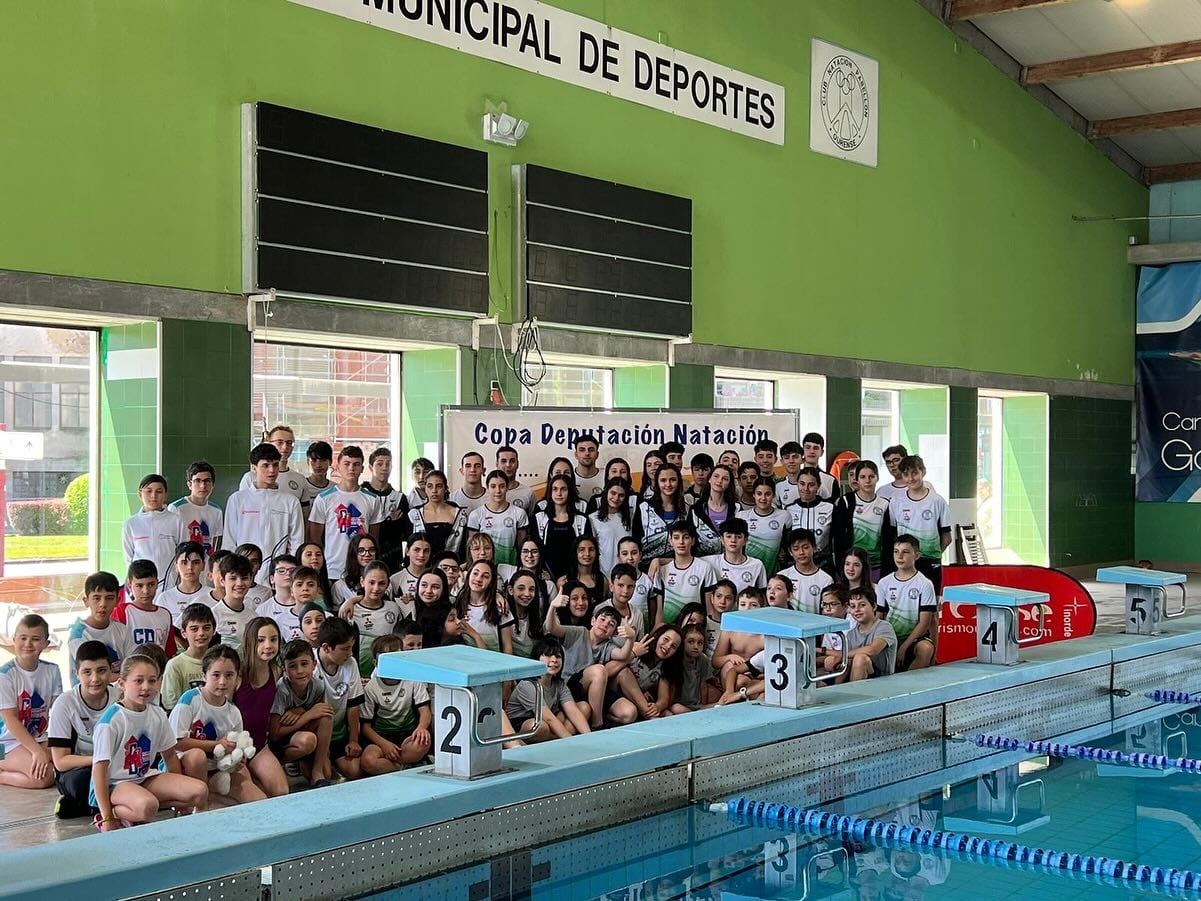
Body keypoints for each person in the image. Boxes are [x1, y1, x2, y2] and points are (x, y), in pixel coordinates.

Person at [90, 654, 209, 830]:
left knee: (199, 791)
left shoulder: (157, 713)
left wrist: (180, 797)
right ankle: (109, 814)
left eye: (152, 681)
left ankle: (140, 804)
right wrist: (108, 818)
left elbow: (169, 755)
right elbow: (99, 771)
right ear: (122, 684)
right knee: (147, 807)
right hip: (115, 783)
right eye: (138, 681)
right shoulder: (112, 720)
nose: (146, 687)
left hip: (144, 776)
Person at [170, 645, 268, 805]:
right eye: (216, 675)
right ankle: (199, 802)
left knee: (259, 801)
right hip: (187, 769)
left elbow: (237, 747)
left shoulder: (234, 712)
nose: (222, 682)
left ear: (238, 678)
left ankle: (210, 797)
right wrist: (216, 744)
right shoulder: (190, 700)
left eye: (229, 675)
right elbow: (176, 743)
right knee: (197, 756)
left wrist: (238, 759)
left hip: (219, 769)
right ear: (204, 675)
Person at [48, 640, 118, 817]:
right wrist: (99, 760)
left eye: (101, 671)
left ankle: (89, 807)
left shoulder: (120, 697)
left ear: (111, 671)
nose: (95, 679)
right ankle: (106, 804)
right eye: (87, 672)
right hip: (80, 769)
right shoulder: (64, 704)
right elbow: (60, 762)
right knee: (81, 782)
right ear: (76, 673)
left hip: (116, 764)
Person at [544, 596, 633, 728]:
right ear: (593, 621)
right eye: (602, 619)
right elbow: (552, 627)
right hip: (569, 685)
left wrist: (631, 638)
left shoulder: (607, 646)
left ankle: (597, 713)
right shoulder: (578, 632)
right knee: (599, 670)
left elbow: (623, 655)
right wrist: (552, 606)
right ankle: (597, 724)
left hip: (593, 690)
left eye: (611, 624)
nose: (605, 625)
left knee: (629, 713)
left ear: (613, 633)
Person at [225, 443, 305, 584]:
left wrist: (291, 573)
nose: (272, 470)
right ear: (254, 467)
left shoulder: (290, 501)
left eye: (275, 465)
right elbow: (229, 540)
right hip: (242, 573)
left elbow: (296, 542)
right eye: (265, 465)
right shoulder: (237, 499)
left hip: (279, 574)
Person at [0, 614, 60, 789]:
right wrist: (37, 752)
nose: (28, 644)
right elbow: (10, 720)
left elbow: (57, 710)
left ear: (46, 644)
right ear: (13, 640)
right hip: (6, 743)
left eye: (35, 639)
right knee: (44, 777)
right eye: (23, 638)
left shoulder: (52, 670)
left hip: (38, 737)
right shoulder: (5, 675)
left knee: (68, 758)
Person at [308, 445, 382, 584]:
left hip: (362, 570)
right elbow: (315, 538)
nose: (351, 468)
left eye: (356, 464)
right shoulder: (324, 498)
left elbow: (373, 538)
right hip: (332, 569)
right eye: (347, 464)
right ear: (338, 466)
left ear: (362, 468)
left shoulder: (372, 499)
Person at [360, 633, 432, 774]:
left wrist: (421, 728)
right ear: (376, 663)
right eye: (387, 658)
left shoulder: (412, 678)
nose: (393, 662)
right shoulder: (371, 688)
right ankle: (406, 766)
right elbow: (365, 727)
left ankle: (398, 764)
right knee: (368, 762)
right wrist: (385, 745)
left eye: (397, 657)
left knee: (422, 744)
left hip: (408, 735)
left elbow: (425, 710)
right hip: (381, 737)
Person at [234, 617, 289, 798]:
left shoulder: (275, 671)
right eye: (261, 640)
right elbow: (221, 714)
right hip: (234, 747)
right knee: (256, 798)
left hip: (259, 746)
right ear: (250, 642)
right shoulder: (237, 674)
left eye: (273, 639)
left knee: (281, 792)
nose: (268, 645)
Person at [269, 639, 334, 787]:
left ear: (314, 665)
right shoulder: (281, 690)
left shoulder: (318, 685)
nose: (299, 671)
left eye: (304, 664)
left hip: (304, 731)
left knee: (326, 715)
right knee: (308, 741)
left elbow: (320, 713)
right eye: (292, 666)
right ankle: (279, 764)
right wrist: (308, 715)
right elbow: (275, 734)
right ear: (284, 670)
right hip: (283, 741)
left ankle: (317, 773)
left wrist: (302, 711)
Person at [883, 455, 951, 591]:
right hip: (905, 564)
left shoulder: (938, 501)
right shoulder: (896, 502)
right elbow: (893, 536)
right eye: (906, 474)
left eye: (914, 473)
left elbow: (947, 537)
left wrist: (932, 554)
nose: (911, 478)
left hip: (930, 563)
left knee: (931, 607)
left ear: (923, 472)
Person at [506, 638, 591, 741]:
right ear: (536, 659)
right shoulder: (527, 685)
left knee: (583, 707)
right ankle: (563, 741)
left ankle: (556, 741)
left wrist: (590, 738)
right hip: (523, 723)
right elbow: (549, 718)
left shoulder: (559, 684)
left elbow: (573, 711)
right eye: (547, 655)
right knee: (540, 726)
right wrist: (571, 741)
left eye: (558, 656)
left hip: (547, 719)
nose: (554, 660)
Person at [311, 617, 365, 780]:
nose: (350, 654)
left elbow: (353, 705)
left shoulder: (351, 663)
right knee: (326, 775)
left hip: (339, 733)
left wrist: (353, 740)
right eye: (345, 649)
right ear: (326, 648)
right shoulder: (310, 664)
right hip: (316, 732)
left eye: (352, 648)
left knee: (353, 771)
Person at [877, 535, 937, 672]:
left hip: (914, 638)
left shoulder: (925, 584)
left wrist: (904, 647)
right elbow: (878, 617)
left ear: (916, 555)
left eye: (905, 552)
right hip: (889, 636)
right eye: (896, 551)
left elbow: (925, 623)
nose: (899, 556)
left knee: (926, 649)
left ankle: (909, 687)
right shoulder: (884, 583)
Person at [607, 624, 684, 724]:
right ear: (657, 637)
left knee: (668, 714)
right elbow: (606, 671)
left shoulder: (665, 666)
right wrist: (633, 654)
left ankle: (647, 714)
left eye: (673, 646)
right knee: (624, 672)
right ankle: (650, 717)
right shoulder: (638, 646)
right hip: (612, 691)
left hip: (632, 701)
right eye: (666, 639)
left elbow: (663, 699)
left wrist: (657, 706)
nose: (668, 646)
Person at [68, 572, 134, 685]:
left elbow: (131, 666)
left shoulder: (122, 630)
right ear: (86, 601)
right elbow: (95, 675)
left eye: (109, 598)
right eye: (96, 598)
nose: (103, 604)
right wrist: (127, 677)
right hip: (88, 696)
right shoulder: (78, 635)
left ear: (118, 601)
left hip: (117, 693)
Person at [123, 474, 185, 591]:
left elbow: (183, 553)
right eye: (149, 491)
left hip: (169, 583)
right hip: (141, 585)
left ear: (165, 495)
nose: (153, 496)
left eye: (159, 491)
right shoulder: (131, 523)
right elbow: (128, 558)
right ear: (140, 494)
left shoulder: (176, 520)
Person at [655, 520, 716, 627]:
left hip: (695, 629)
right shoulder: (661, 570)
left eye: (686, 537)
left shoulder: (705, 568)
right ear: (670, 541)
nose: (681, 542)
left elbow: (710, 609)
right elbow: (659, 610)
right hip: (669, 630)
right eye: (676, 537)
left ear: (693, 541)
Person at [833, 460, 887, 576]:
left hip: (876, 566)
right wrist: (841, 567)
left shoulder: (885, 504)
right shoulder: (846, 502)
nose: (867, 481)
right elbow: (838, 539)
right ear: (857, 480)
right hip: (852, 566)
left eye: (871, 476)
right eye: (863, 477)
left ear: (877, 478)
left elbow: (887, 540)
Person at [113, 560, 178, 656]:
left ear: (157, 583)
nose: (146, 591)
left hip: (159, 669)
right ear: (130, 585)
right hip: (130, 669)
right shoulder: (123, 611)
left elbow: (169, 653)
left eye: (151, 584)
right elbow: (115, 648)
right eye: (139, 586)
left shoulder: (165, 614)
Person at [348, 561, 402, 677]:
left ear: (388, 585)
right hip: (358, 674)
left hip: (385, 674)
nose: (376, 588)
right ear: (362, 581)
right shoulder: (351, 610)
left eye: (381, 583)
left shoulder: (393, 608)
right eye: (371, 582)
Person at [532, 474, 591, 580]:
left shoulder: (581, 520)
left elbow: (585, 551)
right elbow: (536, 548)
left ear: (570, 491)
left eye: (563, 489)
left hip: (573, 576)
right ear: (550, 492)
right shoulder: (540, 518)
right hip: (546, 576)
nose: (559, 493)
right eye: (555, 489)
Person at [362, 447, 410, 572]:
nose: (384, 468)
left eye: (388, 464)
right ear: (371, 467)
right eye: (380, 464)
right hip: (365, 557)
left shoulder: (400, 498)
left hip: (393, 560)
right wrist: (389, 522)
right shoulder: (361, 495)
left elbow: (401, 532)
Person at [467, 470, 529, 567]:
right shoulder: (476, 515)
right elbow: (472, 549)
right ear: (487, 488)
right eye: (493, 486)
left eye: (502, 486)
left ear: (507, 487)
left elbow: (522, 547)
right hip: (485, 569)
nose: (498, 491)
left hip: (511, 568)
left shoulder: (519, 513)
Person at [713, 588, 766, 699]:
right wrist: (730, 657)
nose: (747, 609)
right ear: (737, 607)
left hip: (754, 676)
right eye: (743, 604)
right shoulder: (730, 630)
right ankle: (728, 696)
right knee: (731, 667)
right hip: (731, 674)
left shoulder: (764, 636)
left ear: (762, 608)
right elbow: (715, 662)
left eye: (753, 605)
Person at [162, 603, 216, 710]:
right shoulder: (175, 665)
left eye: (206, 628)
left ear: (214, 630)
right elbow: (171, 706)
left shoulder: (219, 662)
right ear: (183, 632)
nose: (201, 633)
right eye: (194, 629)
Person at [633, 463, 688, 564]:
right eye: (663, 480)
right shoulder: (644, 507)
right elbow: (636, 540)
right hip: (648, 568)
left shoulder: (687, 509)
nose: (668, 484)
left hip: (679, 567)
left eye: (672, 480)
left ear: (679, 481)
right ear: (657, 482)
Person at [406, 470, 468, 560]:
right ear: (425, 489)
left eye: (439, 486)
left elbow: (463, 548)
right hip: (422, 567)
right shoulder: (414, 515)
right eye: (430, 486)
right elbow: (410, 546)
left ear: (445, 488)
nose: (434, 491)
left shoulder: (459, 515)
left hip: (450, 567)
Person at [786, 467, 836, 573]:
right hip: (795, 565)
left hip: (823, 564)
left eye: (811, 485)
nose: (806, 489)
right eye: (802, 484)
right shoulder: (789, 510)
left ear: (818, 485)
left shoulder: (830, 508)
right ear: (797, 484)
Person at [456, 560, 513, 654]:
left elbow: (507, 648)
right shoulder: (458, 602)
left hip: (494, 663)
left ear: (491, 582)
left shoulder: (499, 607)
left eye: (485, 576)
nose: (478, 579)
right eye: (475, 573)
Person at [736, 477, 790, 575]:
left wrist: (783, 551)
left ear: (773, 495)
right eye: (759, 494)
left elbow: (788, 542)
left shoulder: (784, 516)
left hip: (773, 574)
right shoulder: (741, 516)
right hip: (748, 573)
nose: (763, 498)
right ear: (754, 494)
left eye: (767, 494)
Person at [169, 461, 223, 559]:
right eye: (198, 481)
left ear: (213, 484)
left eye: (207, 481)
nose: (203, 485)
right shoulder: (176, 508)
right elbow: (170, 544)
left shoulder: (217, 511)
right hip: (183, 568)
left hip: (205, 569)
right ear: (189, 484)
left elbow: (215, 544)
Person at [841, 589, 898, 681]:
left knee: (860, 658)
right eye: (853, 606)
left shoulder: (884, 627)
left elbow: (872, 650)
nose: (857, 609)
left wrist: (839, 655)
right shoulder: (851, 634)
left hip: (883, 680)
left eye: (862, 605)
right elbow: (847, 659)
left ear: (874, 606)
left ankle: (854, 694)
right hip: (858, 676)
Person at [239, 425, 306, 500]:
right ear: (269, 443)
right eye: (279, 442)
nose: (285, 447)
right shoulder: (250, 477)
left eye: (289, 443)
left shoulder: (300, 479)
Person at [778, 529, 833, 614]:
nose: (801, 552)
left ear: (814, 548)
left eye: (805, 547)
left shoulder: (826, 580)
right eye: (796, 549)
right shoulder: (782, 576)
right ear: (790, 552)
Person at [211, 553, 257, 649]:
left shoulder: (254, 616)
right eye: (233, 578)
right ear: (222, 580)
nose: (239, 583)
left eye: (244, 578)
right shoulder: (214, 615)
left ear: (251, 579)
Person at [588, 478, 632, 577]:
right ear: (606, 492)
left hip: (627, 575)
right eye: (613, 493)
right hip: (603, 575)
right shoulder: (592, 518)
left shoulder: (631, 517)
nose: (616, 498)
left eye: (621, 495)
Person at [691, 464, 739, 555]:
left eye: (725, 478)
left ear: (729, 484)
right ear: (709, 479)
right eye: (716, 476)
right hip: (703, 562)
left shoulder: (737, 509)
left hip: (729, 562)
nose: (719, 481)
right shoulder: (696, 509)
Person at [157, 542, 207, 626]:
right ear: (176, 566)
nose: (190, 567)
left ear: (203, 566)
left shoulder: (212, 595)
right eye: (184, 562)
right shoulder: (165, 599)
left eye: (196, 562)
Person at [711, 518, 767, 593]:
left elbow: (762, 595)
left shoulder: (757, 565)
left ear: (745, 540)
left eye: (738, 537)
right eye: (728, 536)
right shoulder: (710, 563)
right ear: (722, 539)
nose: (733, 540)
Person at [670, 624, 715, 713]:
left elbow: (703, 685)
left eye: (700, 643)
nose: (696, 647)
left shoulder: (703, 659)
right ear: (682, 642)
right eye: (691, 642)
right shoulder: (676, 660)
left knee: (720, 705)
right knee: (676, 708)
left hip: (697, 706)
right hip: (679, 705)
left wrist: (703, 705)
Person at [257, 555, 303, 641]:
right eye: (281, 571)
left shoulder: (305, 606)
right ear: (272, 579)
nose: (288, 574)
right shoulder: (262, 610)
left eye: (292, 570)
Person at [330, 533, 379, 607]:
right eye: (361, 550)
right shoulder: (340, 586)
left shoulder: (384, 582)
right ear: (353, 553)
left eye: (372, 550)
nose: (367, 554)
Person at [560, 534, 609, 607]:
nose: (587, 554)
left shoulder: (603, 581)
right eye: (582, 550)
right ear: (575, 553)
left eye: (591, 549)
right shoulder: (563, 581)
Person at [507, 570, 546, 658]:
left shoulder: (536, 616)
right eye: (521, 588)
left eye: (531, 589)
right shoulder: (504, 614)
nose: (527, 594)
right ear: (510, 590)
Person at [389, 535, 432, 616]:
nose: (422, 555)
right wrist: (399, 602)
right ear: (407, 551)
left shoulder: (435, 577)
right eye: (417, 550)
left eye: (426, 551)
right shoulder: (395, 579)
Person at [817, 584, 853, 675]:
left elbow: (846, 654)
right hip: (831, 665)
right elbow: (826, 653)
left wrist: (818, 651)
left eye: (832, 604)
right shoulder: (828, 622)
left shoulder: (853, 623)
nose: (827, 609)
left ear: (845, 606)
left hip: (850, 664)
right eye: (825, 605)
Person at [801, 432, 841, 501]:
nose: (811, 451)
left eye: (815, 448)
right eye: (808, 447)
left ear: (821, 452)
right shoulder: (794, 478)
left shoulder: (830, 480)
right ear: (802, 451)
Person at [299, 440, 333, 519]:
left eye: (323, 460)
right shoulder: (301, 486)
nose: (318, 465)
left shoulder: (335, 489)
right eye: (314, 460)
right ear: (308, 462)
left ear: (330, 462)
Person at [495, 446, 535, 513]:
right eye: (504, 461)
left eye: (512, 461)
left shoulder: (528, 492)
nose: (508, 465)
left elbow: (533, 520)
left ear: (518, 464)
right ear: (497, 464)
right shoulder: (489, 493)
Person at [296, 542, 334, 607]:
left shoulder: (329, 585)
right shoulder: (292, 584)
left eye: (318, 554)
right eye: (309, 554)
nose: (314, 557)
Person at [705, 579, 736, 656]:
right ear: (712, 598)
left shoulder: (736, 626)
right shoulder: (704, 622)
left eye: (728, 598)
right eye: (719, 596)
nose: (722, 601)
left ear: (734, 601)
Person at [572, 434, 604, 502]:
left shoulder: (607, 476)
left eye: (591, 450)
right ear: (576, 455)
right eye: (582, 450)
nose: (587, 453)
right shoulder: (569, 476)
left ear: (597, 455)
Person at [774, 441, 805, 507]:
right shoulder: (778, 487)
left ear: (803, 460)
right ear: (782, 461)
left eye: (795, 457)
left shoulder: (813, 484)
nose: (791, 461)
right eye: (786, 458)